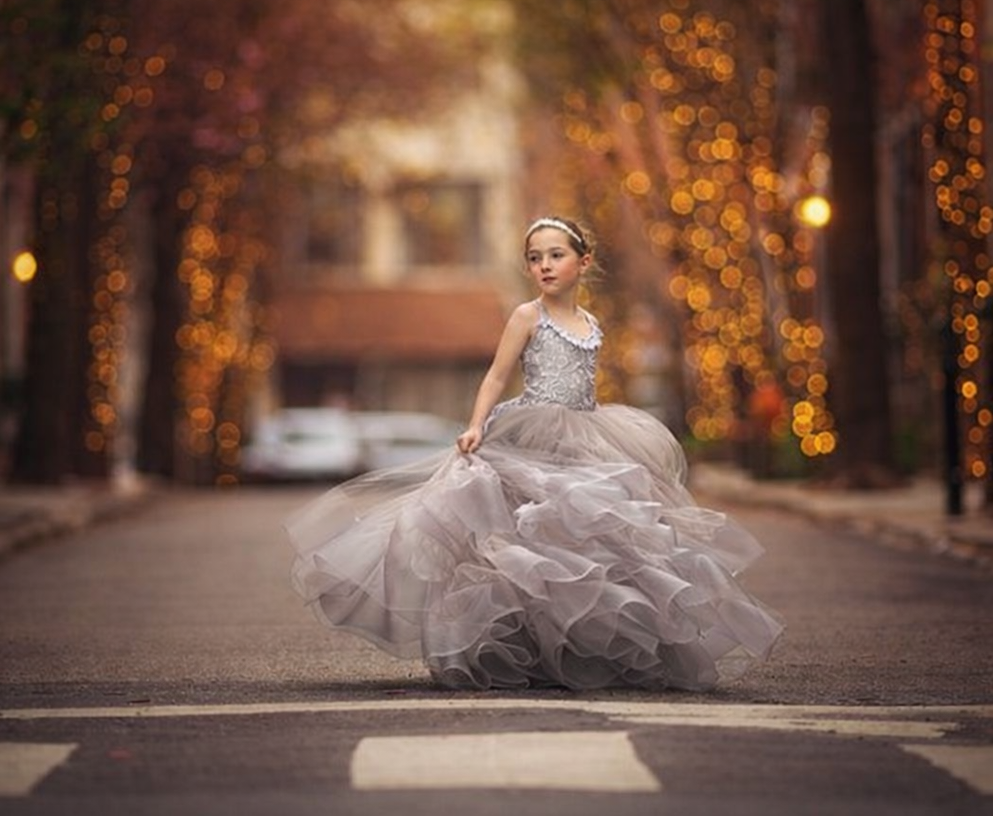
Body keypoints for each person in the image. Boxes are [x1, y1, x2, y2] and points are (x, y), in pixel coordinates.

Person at [285, 216, 783, 691]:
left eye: (556, 255)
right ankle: (520, 643)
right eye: (534, 257)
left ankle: (583, 647)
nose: (544, 265)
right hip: (530, 429)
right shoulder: (527, 316)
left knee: (588, 538)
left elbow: (581, 383)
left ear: (583, 262)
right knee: (520, 538)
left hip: (587, 432)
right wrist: (476, 425)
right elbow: (497, 376)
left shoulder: (591, 322)